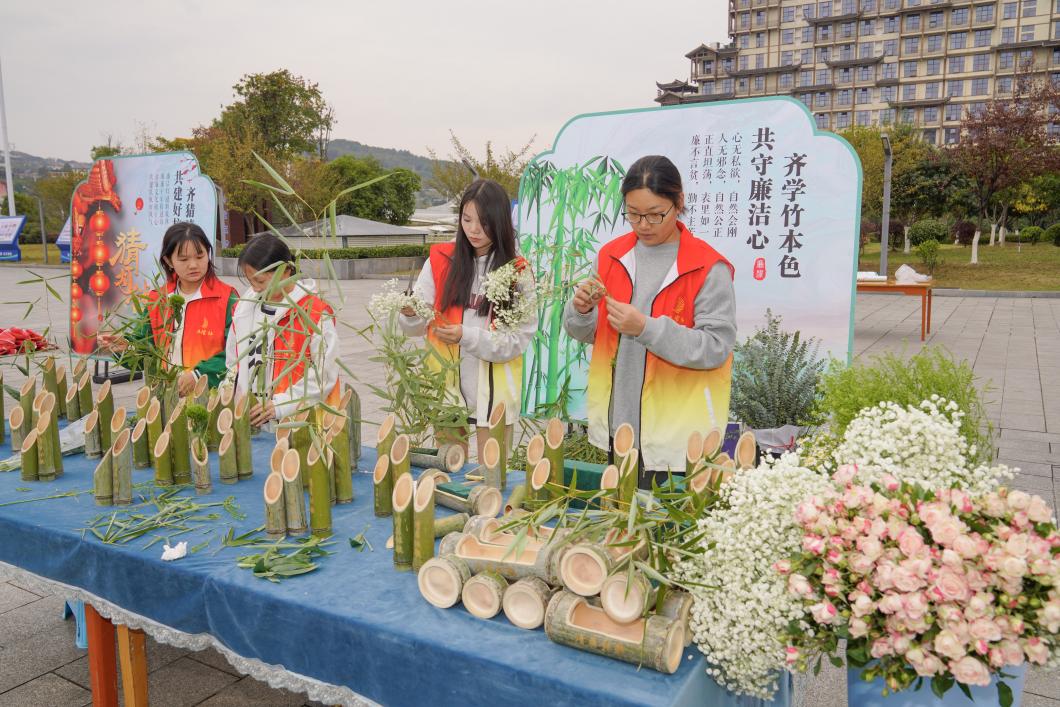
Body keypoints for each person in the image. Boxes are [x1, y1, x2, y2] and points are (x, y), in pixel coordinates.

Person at [564, 155, 737, 487]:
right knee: (622, 528)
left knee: (666, 531)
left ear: (679, 201)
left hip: (678, 435)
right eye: (633, 214)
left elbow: (715, 347)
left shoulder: (707, 267)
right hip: (620, 426)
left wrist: (646, 328)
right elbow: (589, 333)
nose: (643, 225)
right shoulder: (612, 256)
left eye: (656, 214)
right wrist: (581, 310)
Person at [399, 179, 536, 460]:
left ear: (500, 222)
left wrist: (466, 336)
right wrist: (410, 314)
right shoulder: (440, 260)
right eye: (467, 219)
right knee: (449, 469)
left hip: (494, 389)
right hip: (445, 387)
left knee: (493, 472)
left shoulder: (517, 270)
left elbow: (516, 340)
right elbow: (414, 328)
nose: (473, 230)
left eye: (483, 222)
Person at [98, 222, 237, 392]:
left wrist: (199, 375)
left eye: (200, 256)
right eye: (184, 259)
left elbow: (237, 351)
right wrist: (125, 347)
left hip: (212, 396)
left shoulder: (227, 298)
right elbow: (145, 353)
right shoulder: (158, 299)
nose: (193, 265)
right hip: (167, 394)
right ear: (168, 261)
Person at [226, 234, 340, 427]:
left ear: (286, 270)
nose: (255, 289)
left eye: (260, 281)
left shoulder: (314, 314)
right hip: (252, 419)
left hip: (296, 422)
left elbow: (325, 373)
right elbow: (233, 362)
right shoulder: (243, 310)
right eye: (250, 281)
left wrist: (282, 405)